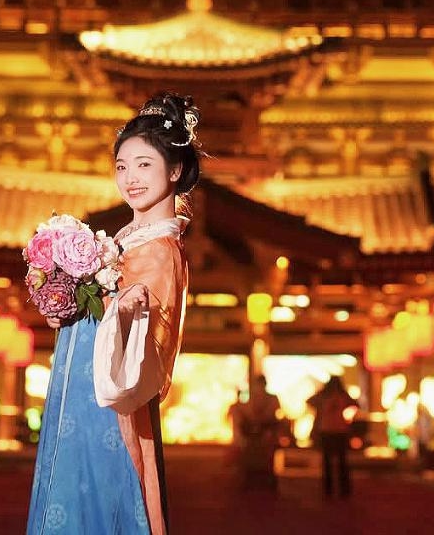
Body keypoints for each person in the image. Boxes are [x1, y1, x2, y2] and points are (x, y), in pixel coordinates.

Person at [27, 93, 201, 535]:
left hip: (112, 410)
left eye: (144, 164)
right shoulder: (125, 241)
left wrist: (117, 309)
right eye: (122, 166)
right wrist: (63, 300)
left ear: (175, 169)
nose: (131, 178)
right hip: (81, 399)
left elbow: (149, 348)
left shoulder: (161, 250)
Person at [230, 375, 283, 490]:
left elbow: (275, 415)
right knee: (252, 459)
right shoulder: (251, 399)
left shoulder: (272, 398)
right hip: (253, 434)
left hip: (267, 432)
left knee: (267, 461)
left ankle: (266, 482)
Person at [308, 376, 357, 498]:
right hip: (335, 431)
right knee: (338, 462)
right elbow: (355, 403)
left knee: (333, 462)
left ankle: (331, 491)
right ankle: (339, 491)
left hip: (330, 431)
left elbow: (310, 401)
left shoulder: (329, 396)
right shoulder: (339, 396)